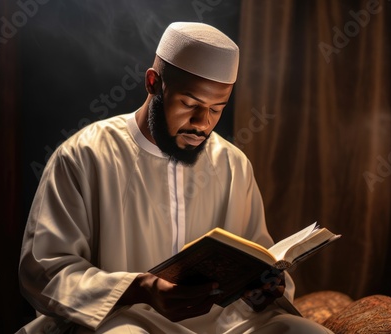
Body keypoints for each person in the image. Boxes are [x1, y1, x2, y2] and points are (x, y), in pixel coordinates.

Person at [17, 22, 333, 333]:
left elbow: (256, 257)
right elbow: (44, 272)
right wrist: (139, 288)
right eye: (189, 104)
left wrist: (266, 286)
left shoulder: (232, 164)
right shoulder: (84, 156)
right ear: (154, 82)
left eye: (216, 109)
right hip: (124, 318)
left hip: (223, 326)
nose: (202, 124)